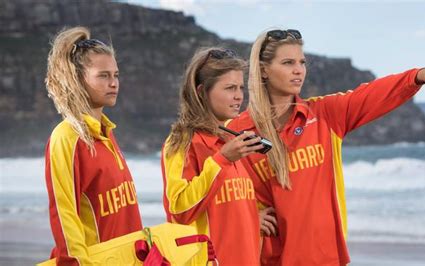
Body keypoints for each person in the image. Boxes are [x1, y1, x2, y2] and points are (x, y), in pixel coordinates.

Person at [228, 28, 425, 265]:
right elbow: (206, 190)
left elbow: (368, 95)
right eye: (288, 63)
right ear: (264, 70)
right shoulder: (237, 130)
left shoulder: (324, 114)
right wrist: (247, 215)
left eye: (302, 62)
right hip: (270, 260)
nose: (298, 70)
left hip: (326, 258)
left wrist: (417, 76)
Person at [44, 26, 142, 265]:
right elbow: (64, 216)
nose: (113, 83)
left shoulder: (107, 134)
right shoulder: (67, 137)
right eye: (103, 75)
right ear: (77, 79)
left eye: (116, 75)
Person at [161, 47, 264, 265]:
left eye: (240, 88)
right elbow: (179, 208)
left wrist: (254, 218)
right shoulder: (183, 140)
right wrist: (222, 160)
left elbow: (226, 208)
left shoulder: (230, 142)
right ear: (201, 91)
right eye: (229, 88)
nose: (238, 96)